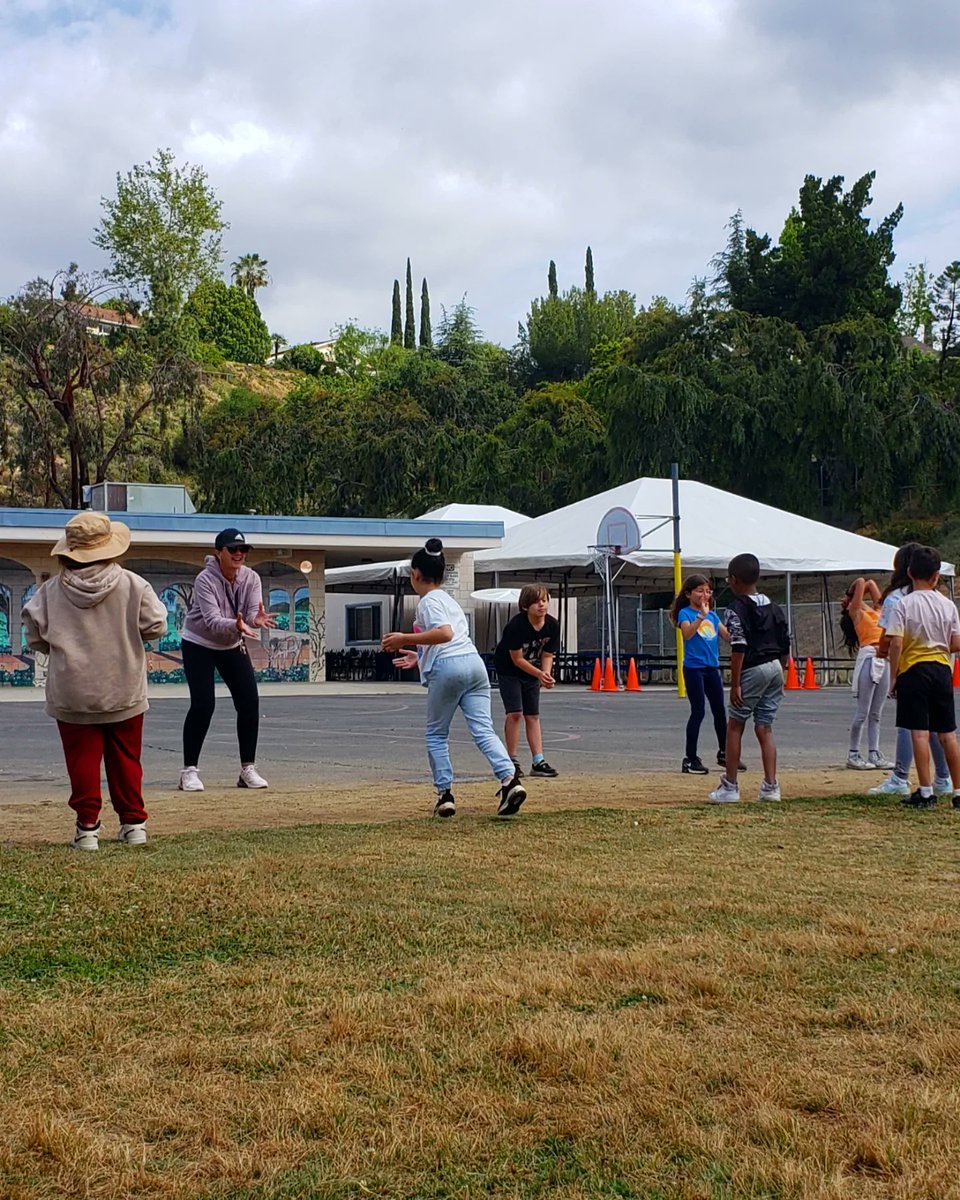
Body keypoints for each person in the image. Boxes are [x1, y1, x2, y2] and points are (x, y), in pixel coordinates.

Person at [21, 511, 167, 850]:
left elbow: (35, 636)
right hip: (124, 686)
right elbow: (156, 626)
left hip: (72, 690)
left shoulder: (49, 592)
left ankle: (87, 828)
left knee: (81, 760)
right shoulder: (133, 584)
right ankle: (133, 824)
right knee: (127, 758)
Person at [382, 538, 527, 819]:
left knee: (437, 734)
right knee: (484, 730)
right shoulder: (449, 599)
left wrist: (404, 638)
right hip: (474, 665)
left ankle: (445, 794)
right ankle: (510, 780)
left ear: (415, 574)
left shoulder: (428, 602)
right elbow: (450, 637)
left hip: (449, 669)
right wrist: (418, 656)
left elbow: (444, 634)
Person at [179, 528, 276, 792]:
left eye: (242, 550)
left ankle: (247, 769)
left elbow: (254, 613)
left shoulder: (251, 578)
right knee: (203, 704)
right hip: (199, 643)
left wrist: (255, 621)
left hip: (232, 642)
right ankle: (189, 771)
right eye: (232, 549)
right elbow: (211, 622)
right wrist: (238, 624)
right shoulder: (204, 580)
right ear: (218, 552)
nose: (238, 554)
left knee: (249, 702)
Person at [868, 543, 953, 798]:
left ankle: (903, 776)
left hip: (911, 667)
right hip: (942, 666)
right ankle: (944, 778)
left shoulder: (898, 599)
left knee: (912, 726)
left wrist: (892, 670)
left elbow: (890, 640)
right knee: (943, 728)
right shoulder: (943, 600)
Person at [708, 553, 790, 804]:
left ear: (733, 580)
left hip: (753, 667)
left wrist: (735, 683)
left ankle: (730, 785)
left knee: (735, 724)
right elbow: (785, 641)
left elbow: (739, 645)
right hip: (776, 666)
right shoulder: (774, 607)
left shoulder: (736, 609)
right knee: (765, 727)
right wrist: (783, 669)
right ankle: (771, 786)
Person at [669, 573, 736, 775]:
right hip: (694, 668)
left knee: (719, 711)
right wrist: (701, 617)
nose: (704, 595)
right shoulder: (685, 614)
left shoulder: (713, 616)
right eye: (699, 591)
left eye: (707, 591)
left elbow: (727, 636)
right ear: (689, 594)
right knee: (698, 711)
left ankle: (725, 752)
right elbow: (687, 634)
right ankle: (690, 758)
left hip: (711, 668)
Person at [493, 585, 560, 778]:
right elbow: (517, 659)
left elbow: (548, 654)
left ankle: (538, 760)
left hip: (533, 669)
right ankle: (511, 760)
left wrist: (546, 674)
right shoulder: (516, 626)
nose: (541, 604)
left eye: (544, 600)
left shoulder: (552, 625)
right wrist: (539, 674)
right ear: (525, 606)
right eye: (536, 601)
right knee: (515, 713)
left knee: (533, 715)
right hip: (509, 670)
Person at [840, 577, 894, 770]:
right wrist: (851, 595)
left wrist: (853, 593)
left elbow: (871, 585)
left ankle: (874, 752)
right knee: (863, 711)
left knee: (876, 713)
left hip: (883, 658)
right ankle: (853, 753)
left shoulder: (878, 612)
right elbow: (862, 582)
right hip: (869, 656)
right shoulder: (856, 614)